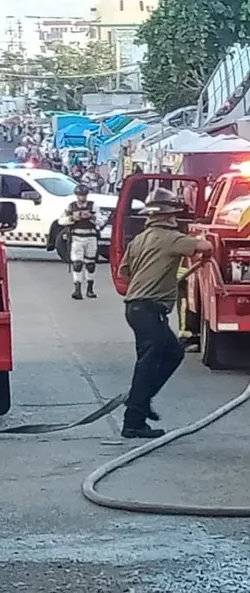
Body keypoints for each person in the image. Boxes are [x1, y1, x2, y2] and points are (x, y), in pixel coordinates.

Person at [119, 188, 209, 440]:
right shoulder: (172, 238)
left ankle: (141, 400)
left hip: (135, 308)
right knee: (148, 365)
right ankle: (133, 420)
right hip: (149, 310)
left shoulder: (139, 239)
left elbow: (125, 271)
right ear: (170, 214)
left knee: (172, 353)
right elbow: (205, 245)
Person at [62, 184, 101, 300]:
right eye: (79, 195)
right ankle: (77, 289)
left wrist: (91, 217)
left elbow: (101, 220)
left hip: (90, 237)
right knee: (77, 263)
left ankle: (90, 289)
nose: (82, 197)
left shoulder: (93, 206)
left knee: (90, 264)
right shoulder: (71, 206)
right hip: (76, 238)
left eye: (83, 195)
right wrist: (72, 218)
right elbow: (61, 220)